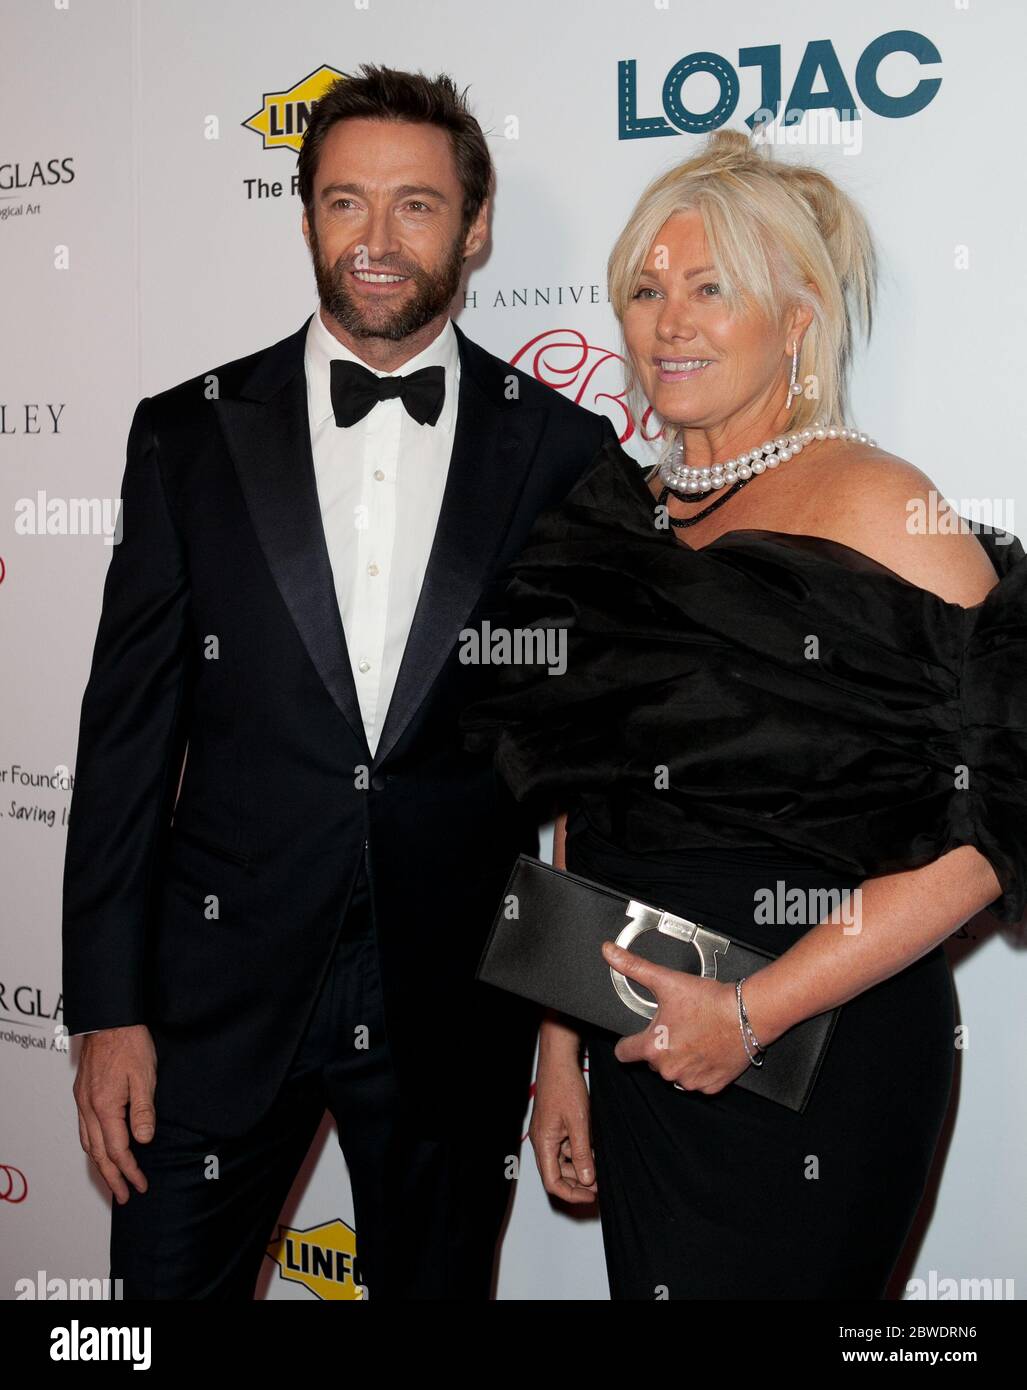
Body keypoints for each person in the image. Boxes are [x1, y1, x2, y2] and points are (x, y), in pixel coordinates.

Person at [62, 64, 617, 1301]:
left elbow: (576, 778)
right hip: (211, 1003)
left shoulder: (566, 452)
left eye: (415, 206)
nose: (374, 240)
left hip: (452, 1009)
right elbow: (124, 746)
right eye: (344, 201)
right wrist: (105, 1009)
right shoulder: (190, 433)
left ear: (474, 230)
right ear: (305, 212)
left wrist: (565, 1042)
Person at [461, 129, 1026, 1299]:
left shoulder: (882, 505)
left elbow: (989, 836)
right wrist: (558, 1046)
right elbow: (591, 793)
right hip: (635, 1035)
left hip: (817, 1043)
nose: (670, 321)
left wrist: (750, 1013)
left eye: (711, 288)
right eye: (647, 288)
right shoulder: (620, 512)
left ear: (798, 318)